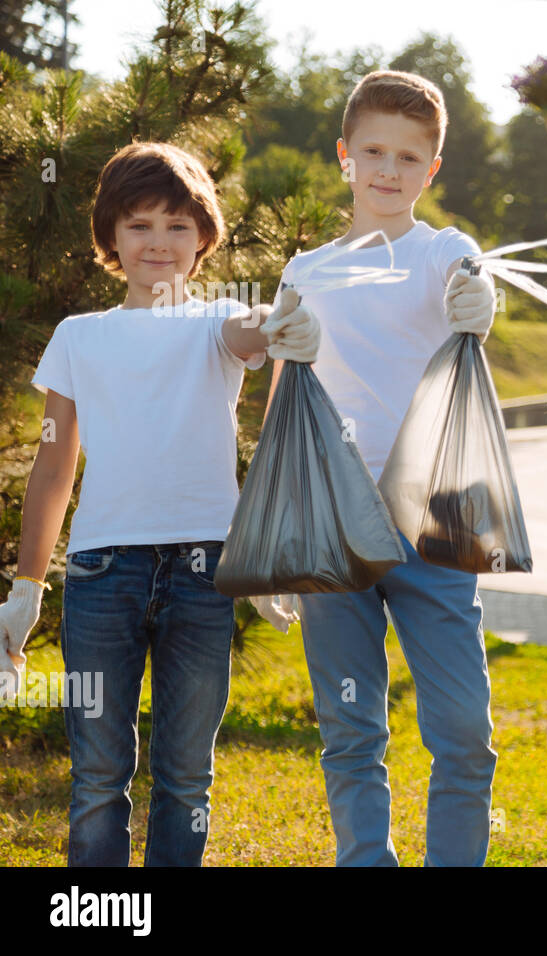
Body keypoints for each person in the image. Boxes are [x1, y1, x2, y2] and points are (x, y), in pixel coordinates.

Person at [0, 141, 316, 866]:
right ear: (110, 236)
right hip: (100, 573)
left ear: (204, 237)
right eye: (139, 225)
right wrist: (26, 588)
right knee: (98, 776)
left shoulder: (215, 323)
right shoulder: (80, 337)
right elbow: (53, 468)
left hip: (206, 571)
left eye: (178, 226)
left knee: (186, 777)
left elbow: (253, 329)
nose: (159, 243)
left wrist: (278, 319)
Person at [255, 70, 499, 867]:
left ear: (432, 170)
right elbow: (287, 391)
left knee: (462, 729)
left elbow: (472, 284)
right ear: (344, 157)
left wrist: (480, 300)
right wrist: (272, 539)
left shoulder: (444, 251)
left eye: (408, 156)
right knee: (351, 726)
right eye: (373, 152)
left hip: (435, 519)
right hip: (333, 521)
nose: (388, 170)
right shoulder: (307, 271)